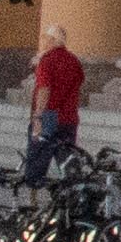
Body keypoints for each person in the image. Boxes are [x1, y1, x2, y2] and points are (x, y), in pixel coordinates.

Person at [23, 28, 87, 189]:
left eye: (44, 38)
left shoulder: (47, 60)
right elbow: (79, 83)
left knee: (37, 162)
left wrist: (38, 116)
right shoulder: (74, 60)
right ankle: (73, 191)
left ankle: (35, 198)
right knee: (67, 160)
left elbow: (44, 89)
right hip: (69, 117)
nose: (42, 42)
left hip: (48, 116)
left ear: (52, 40)